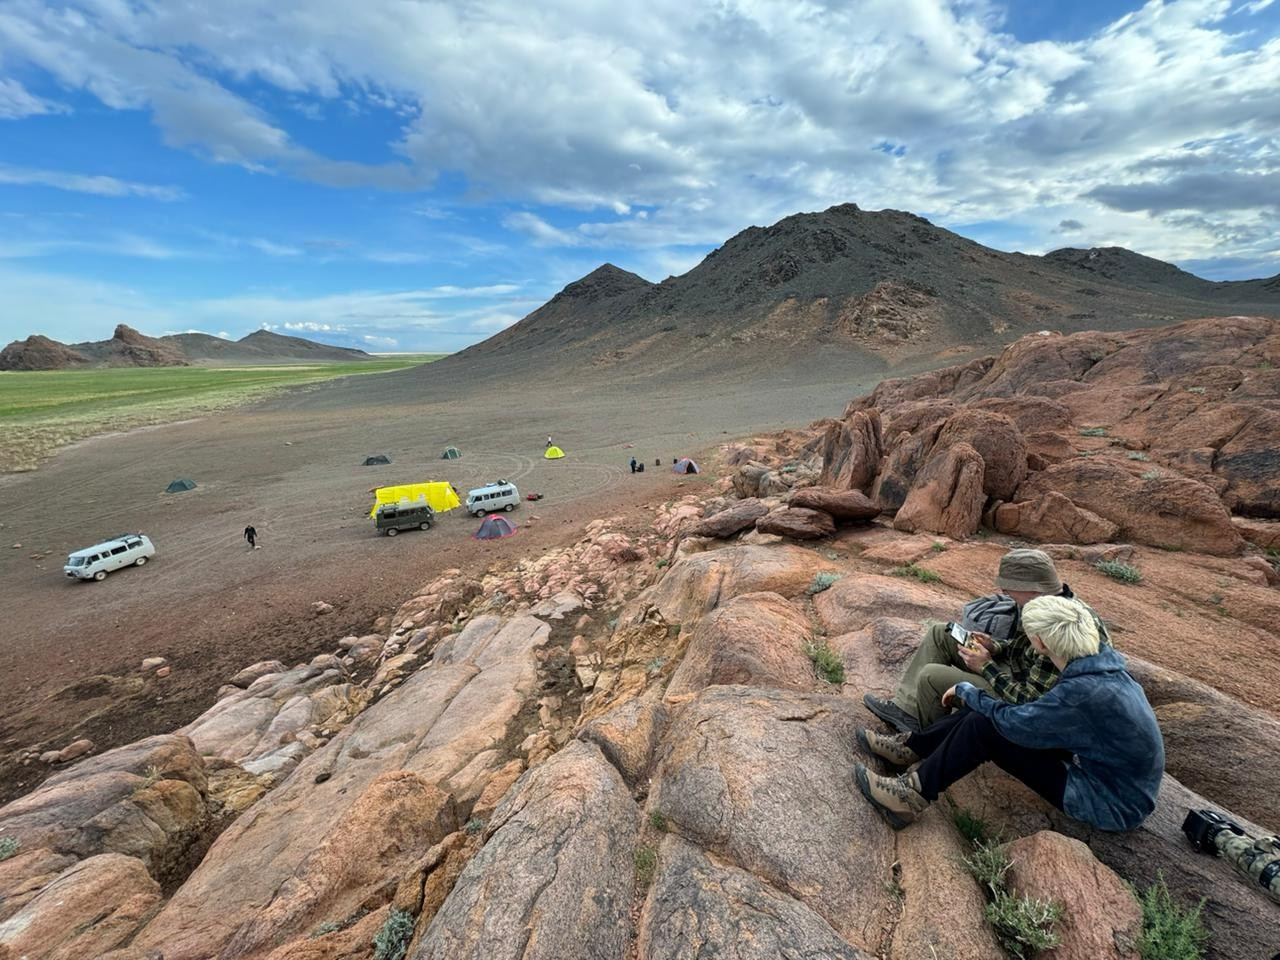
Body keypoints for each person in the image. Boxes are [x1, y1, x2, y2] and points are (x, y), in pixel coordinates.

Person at [854, 595, 1164, 832]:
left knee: (986, 726)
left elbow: (1014, 723)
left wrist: (966, 691)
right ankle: (913, 748)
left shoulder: (1081, 693)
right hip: (1109, 776)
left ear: (1040, 642)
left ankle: (908, 798)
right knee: (987, 712)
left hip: (1109, 802)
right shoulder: (1100, 663)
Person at [862, 548, 1107, 733]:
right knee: (941, 632)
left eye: (1009, 587)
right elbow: (1025, 650)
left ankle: (927, 741)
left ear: (1032, 587)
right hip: (1018, 676)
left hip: (1024, 704)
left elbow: (1030, 702)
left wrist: (986, 666)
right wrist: (994, 646)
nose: (1004, 592)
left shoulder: (1058, 627)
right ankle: (907, 711)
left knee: (931, 676)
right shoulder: (1040, 603)